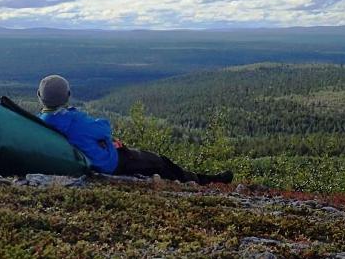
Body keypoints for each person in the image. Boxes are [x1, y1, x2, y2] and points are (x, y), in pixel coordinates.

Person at [37, 74, 233, 185]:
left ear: (40, 96)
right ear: (68, 95)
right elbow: (104, 127)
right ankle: (206, 181)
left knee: (153, 162)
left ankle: (201, 179)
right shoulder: (74, 120)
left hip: (94, 160)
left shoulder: (42, 121)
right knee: (160, 162)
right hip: (111, 163)